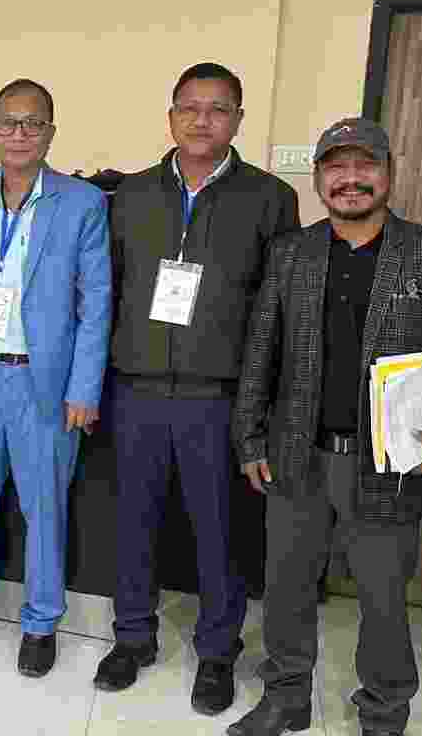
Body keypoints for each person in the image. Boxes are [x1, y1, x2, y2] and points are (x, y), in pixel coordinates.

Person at [229, 117, 422, 736]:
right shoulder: (290, 253)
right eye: (335, 167)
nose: (350, 179)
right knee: (286, 591)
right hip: (297, 457)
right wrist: (250, 437)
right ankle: (286, 697)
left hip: (391, 465)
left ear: (388, 173)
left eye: (365, 166)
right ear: (319, 177)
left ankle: (383, 714)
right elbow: (260, 352)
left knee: (383, 604)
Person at [100, 62, 299, 711]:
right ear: (171, 116)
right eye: (190, 107)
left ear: (237, 120)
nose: (202, 119)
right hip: (136, 390)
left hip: (220, 397)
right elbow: (109, 290)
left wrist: (263, 404)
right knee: (133, 523)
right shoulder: (130, 195)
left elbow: (279, 310)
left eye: (217, 109)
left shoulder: (269, 199)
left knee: (220, 531)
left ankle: (217, 652)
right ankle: (133, 636)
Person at [0, 78, 110, 677]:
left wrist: (84, 388)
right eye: (8, 122)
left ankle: (40, 622)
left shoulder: (82, 203)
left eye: (33, 123)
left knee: (45, 510)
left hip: (48, 388)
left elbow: (95, 304)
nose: (20, 134)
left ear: (51, 133)